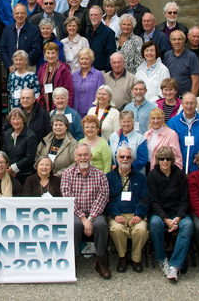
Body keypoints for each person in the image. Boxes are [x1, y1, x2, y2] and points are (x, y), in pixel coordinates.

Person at [60, 143, 111, 279]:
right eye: (80, 155)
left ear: (90, 156)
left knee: (101, 225)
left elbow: (103, 197)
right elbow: (67, 197)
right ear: (75, 157)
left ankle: (100, 261)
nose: (83, 158)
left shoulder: (100, 175)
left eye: (85, 155)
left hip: (95, 213)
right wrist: (83, 218)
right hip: (75, 213)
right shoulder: (67, 174)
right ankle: (73, 260)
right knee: (75, 225)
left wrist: (91, 218)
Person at [147, 146, 192, 283]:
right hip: (160, 213)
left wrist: (178, 218)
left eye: (167, 159)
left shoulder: (179, 174)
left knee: (188, 225)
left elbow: (185, 199)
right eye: (162, 159)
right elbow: (153, 201)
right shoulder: (152, 176)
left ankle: (175, 265)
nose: (165, 161)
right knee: (154, 224)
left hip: (178, 213)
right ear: (157, 160)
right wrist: (166, 219)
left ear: (172, 160)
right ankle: (162, 259)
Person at [105, 145, 149, 273]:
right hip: (117, 214)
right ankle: (122, 257)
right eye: (122, 156)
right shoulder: (109, 177)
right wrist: (116, 215)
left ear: (132, 159)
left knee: (141, 230)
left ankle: (136, 259)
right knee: (116, 229)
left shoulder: (140, 177)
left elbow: (144, 198)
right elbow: (107, 199)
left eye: (128, 157)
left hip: (135, 213)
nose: (125, 159)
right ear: (117, 158)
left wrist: (139, 215)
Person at [167, 92, 199, 174]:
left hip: (197, 168)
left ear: (196, 104)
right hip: (177, 169)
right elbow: (167, 145)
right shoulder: (173, 123)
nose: (189, 106)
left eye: (192, 103)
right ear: (182, 104)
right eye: (186, 103)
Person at [0, 3, 42, 71]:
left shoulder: (34, 30)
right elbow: (3, 50)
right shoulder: (7, 31)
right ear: (13, 15)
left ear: (26, 15)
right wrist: (9, 65)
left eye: (22, 13)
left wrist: (23, 63)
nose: (19, 15)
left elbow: (36, 50)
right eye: (17, 13)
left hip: (28, 67)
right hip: (12, 67)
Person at [2, 108, 39, 185]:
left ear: (23, 119)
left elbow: (30, 157)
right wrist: (8, 168)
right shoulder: (7, 133)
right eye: (13, 119)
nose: (16, 121)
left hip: (25, 176)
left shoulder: (31, 136)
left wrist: (13, 168)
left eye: (18, 118)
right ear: (10, 121)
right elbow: (4, 151)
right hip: (8, 173)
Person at [38, 41, 73, 112]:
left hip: (60, 106)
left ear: (57, 54)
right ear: (44, 55)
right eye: (48, 53)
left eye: (53, 53)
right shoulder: (42, 69)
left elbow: (69, 91)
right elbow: (39, 89)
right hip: (44, 107)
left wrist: (67, 109)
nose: (50, 56)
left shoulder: (64, 70)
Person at [163, 30, 199, 96]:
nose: (177, 42)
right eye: (174, 39)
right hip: (170, 97)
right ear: (170, 41)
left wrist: (192, 99)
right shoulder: (167, 56)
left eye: (179, 39)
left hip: (185, 97)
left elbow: (196, 82)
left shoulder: (191, 56)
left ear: (184, 40)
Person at [71, 48, 104, 117]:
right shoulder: (74, 75)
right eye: (82, 59)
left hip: (92, 110)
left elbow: (102, 94)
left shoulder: (98, 74)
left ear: (91, 60)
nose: (84, 61)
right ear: (79, 61)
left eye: (87, 59)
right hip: (76, 111)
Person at [85, 5, 115, 72]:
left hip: (102, 71)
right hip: (89, 70)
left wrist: (107, 71)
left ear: (101, 16)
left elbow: (111, 54)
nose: (93, 17)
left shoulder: (108, 33)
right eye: (91, 15)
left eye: (96, 15)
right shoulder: (88, 32)